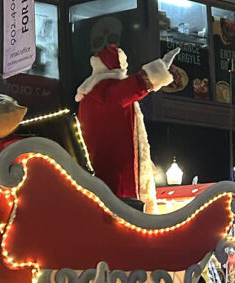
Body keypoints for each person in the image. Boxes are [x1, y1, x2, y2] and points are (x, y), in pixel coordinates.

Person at [76, 44, 179, 210]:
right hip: (119, 176)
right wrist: (163, 65)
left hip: (97, 173)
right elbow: (140, 82)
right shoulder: (108, 91)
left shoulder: (89, 95)